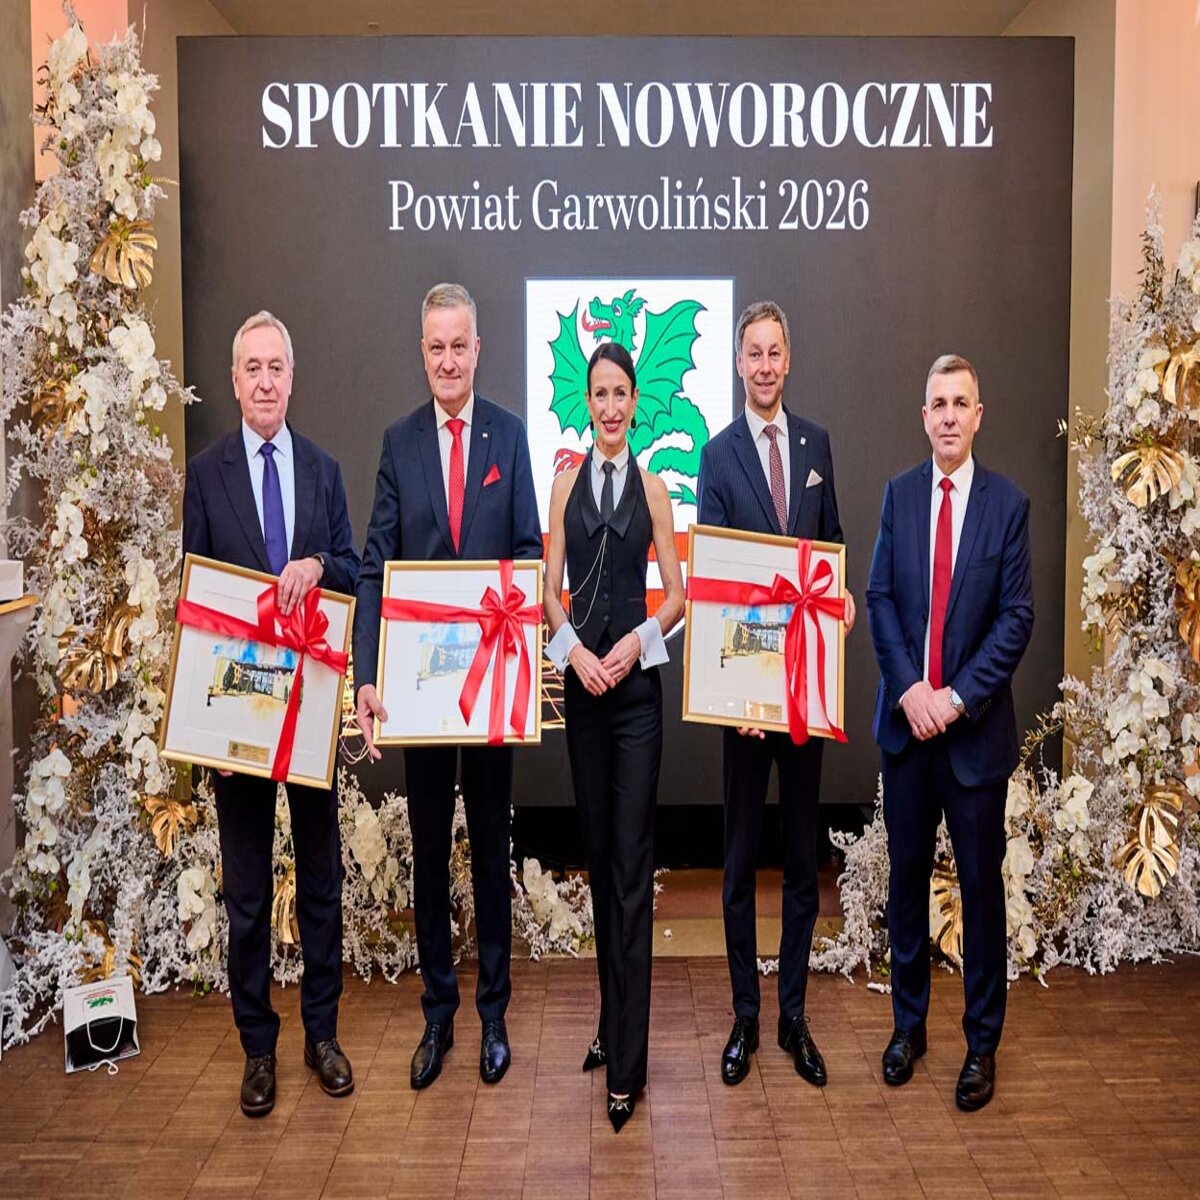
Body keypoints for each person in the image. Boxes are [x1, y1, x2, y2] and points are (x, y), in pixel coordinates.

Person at [353, 282, 542, 1090]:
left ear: (478, 349)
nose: (449, 360)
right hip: (421, 693)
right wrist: (367, 675)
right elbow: (374, 565)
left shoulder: (510, 434)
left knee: (491, 851)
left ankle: (493, 1014)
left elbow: (529, 551)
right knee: (430, 855)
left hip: (492, 688)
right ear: (422, 352)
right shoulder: (398, 443)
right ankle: (438, 1014)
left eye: (460, 346)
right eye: (437, 347)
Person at [182, 310, 360, 1117]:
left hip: (311, 716)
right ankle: (258, 1047)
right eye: (250, 368)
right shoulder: (206, 473)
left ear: (292, 377)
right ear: (234, 381)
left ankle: (323, 1035)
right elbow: (194, 604)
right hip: (237, 722)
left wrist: (317, 563)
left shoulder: (324, 470)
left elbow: (352, 567)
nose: (263, 381)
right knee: (248, 894)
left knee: (321, 882)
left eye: (274, 368)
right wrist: (203, 733)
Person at [865, 354, 1033, 1112]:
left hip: (972, 739)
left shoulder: (1009, 506)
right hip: (908, 731)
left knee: (980, 895)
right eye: (938, 403)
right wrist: (911, 691)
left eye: (961, 403)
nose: (949, 416)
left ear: (978, 415)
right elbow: (879, 599)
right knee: (904, 886)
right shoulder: (900, 496)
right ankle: (908, 1029)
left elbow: (1017, 618)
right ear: (924, 415)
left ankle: (982, 1044)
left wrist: (955, 698)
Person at [696, 301, 856, 1089]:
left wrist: (843, 595)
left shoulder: (816, 444)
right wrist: (742, 697)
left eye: (774, 352)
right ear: (739, 364)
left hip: (807, 694)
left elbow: (832, 547)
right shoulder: (716, 455)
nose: (764, 365)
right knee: (737, 864)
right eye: (752, 353)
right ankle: (745, 1018)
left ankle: (792, 1015)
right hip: (745, 705)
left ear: (788, 360)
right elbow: (719, 581)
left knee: (800, 862)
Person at [543, 343, 684, 1132]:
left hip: (635, 701)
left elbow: (678, 598)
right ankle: (609, 1020)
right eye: (598, 393)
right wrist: (576, 655)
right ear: (586, 402)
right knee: (600, 864)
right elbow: (547, 596)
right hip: (584, 697)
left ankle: (628, 1067)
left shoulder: (654, 487)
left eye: (620, 393)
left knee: (632, 874)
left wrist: (633, 645)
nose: (609, 406)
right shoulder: (563, 485)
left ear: (635, 402)